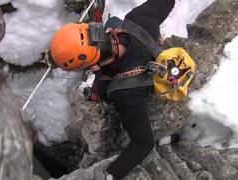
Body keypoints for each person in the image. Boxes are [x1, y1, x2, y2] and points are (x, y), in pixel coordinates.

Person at [50, 0, 175, 179]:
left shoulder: (122, 93)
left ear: (88, 64)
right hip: (139, 44)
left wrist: (111, 174)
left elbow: (144, 143)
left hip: (131, 79)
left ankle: (93, 93)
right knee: (114, 22)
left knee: (101, 87)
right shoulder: (138, 19)